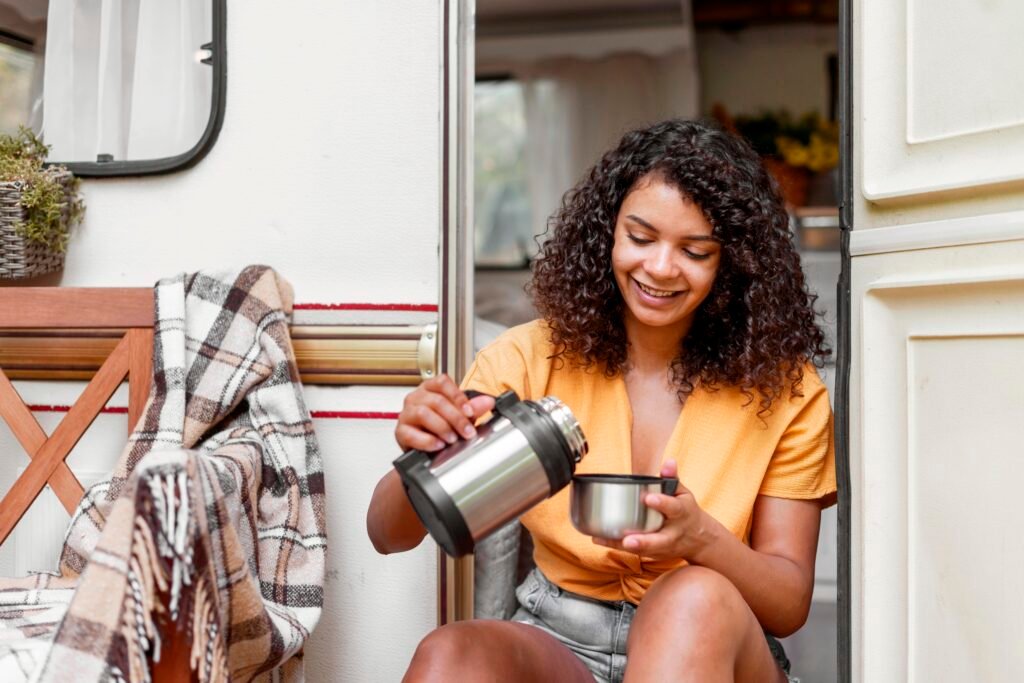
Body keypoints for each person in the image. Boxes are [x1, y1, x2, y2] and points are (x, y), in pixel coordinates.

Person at [367, 119, 836, 683]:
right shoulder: (528, 358)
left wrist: (701, 538)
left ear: (732, 263)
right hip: (561, 636)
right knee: (451, 660)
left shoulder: (784, 389)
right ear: (607, 233)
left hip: (715, 640)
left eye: (694, 250)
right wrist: (422, 450)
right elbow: (387, 535)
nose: (660, 268)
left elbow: (788, 606)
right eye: (640, 238)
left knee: (691, 599)